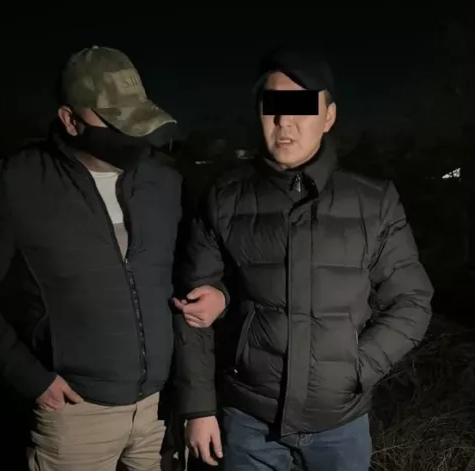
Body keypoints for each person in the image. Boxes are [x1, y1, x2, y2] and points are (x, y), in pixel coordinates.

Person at [172, 46, 434, 470]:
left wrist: (357, 369)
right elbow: (193, 311)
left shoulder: (374, 202)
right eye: (272, 106)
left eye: (301, 107)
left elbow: (412, 302)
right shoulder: (222, 200)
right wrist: (198, 407)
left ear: (328, 117)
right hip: (248, 421)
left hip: (341, 426)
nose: (284, 121)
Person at [0, 45, 186, 471]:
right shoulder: (16, 183)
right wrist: (29, 376)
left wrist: (216, 293)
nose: (130, 133)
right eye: (114, 121)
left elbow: (189, 271)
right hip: (75, 417)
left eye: (135, 117)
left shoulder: (164, 180)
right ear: (70, 120)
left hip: (157, 411)